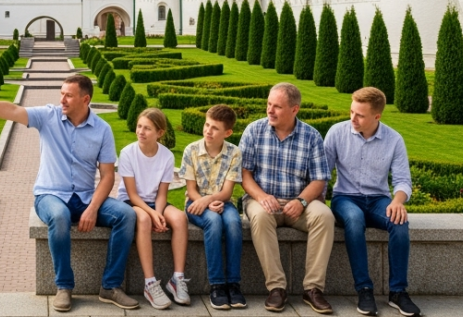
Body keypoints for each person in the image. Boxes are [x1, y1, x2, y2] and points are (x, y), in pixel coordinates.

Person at [0, 74, 139, 312]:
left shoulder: (102, 130)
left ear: (85, 99)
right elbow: (12, 110)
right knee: (60, 216)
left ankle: (110, 286)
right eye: (61, 94)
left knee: (126, 215)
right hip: (49, 195)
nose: (62, 99)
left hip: (85, 197)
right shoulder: (48, 116)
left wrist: (93, 208)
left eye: (68, 95)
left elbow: (107, 176)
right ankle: (64, 286)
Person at [325, 87, 421, 317]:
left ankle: (398, 292)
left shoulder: (394, 140)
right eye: (351, 112)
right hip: (345, 198)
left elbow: (403, 180)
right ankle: (364, 290)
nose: (353, 118)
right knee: (354, 219)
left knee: (399, 222)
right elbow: (322, 174)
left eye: (360, 115)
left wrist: (397, 201)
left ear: (377, 116)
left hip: (379, 199)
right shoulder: (337, 133)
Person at [240, 83, 334, 314]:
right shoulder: (254, 131)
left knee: (325, 216)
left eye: (277, 106)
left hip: (299, 203)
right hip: (261, 200)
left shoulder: (311, 136)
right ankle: (276, 288)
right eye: (269, 104)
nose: (270, 110)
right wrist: (262, 197)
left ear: (294, 109)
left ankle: (313, 289)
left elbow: (319, 180)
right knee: (260, 217)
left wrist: (301, 201)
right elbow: (244, 175)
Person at [118, 107, 188, 310]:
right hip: (131, 201)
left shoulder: (167, 156)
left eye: (147, 128)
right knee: (144, 220)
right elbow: (132, 195)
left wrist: (159, 213)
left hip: (155, 201)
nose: (141, 131)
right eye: (139, 126)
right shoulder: (127, 153)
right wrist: (153, 215)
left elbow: (162, 194)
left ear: (160, 133)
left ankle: (177, 279)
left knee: (180, 219)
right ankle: (150, 283)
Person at [179, 103, 246, 310]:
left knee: (233, 223)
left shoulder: (234, 153)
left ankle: (233, 284)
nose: (208, 130)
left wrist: (209, 201)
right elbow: (191, 190)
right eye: (207, 125)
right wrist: (205, 203)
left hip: (222, 202)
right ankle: (216, 285)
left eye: (215, 128)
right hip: (195, 203)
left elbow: (227, 192)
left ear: (228, 132)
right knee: (214, 222)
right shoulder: (191, 150)